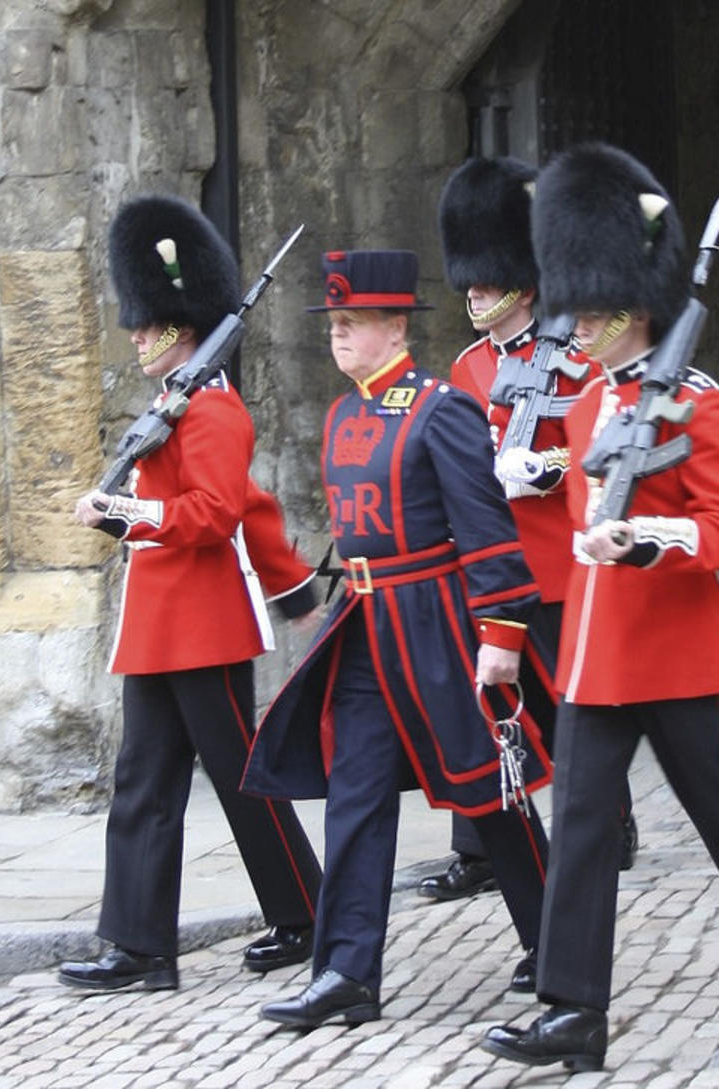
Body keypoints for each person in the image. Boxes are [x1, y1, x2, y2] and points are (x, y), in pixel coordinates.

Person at [482, 144, 719, 1073]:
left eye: (597, 315)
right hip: (601, 653)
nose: (584, 329)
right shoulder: (582, 409)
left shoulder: (698, 404)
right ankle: (573, 1009)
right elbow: (575, 519)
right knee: (583, 827)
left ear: (635, 310)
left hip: (681, 648)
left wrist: (650, 539)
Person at [242, 249, 551, 1028]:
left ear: (392, 325)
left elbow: (487, 534)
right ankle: (346, 970)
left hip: (439, 628)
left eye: (350, 324)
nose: (337, 338)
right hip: (367, 630)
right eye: (333, 325)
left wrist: (502, 634)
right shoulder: (345, 413)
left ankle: (558, 940)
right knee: (354, 795)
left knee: (489, 792)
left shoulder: (440, 408)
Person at [57, 195, 322, 993]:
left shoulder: (211, 412)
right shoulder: (171, 407)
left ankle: (306, 910)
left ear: (179, 327)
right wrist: (120, 515)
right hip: (157, 623)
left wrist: (126, 507)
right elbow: (161, 520)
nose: (136, 336)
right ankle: (139, 947)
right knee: (143, 781)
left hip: (203, 623)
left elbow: (211, 515)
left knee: (242, 775)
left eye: (148, 326)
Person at [419, 156, 635, 907]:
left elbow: (609, 435)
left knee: (573, 706)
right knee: (483, 710)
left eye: (487, 278)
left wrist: (546, 466)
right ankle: (481, 845)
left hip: (561, 562)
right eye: (470, 280)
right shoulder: (468, 364)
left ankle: (609, 823)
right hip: (493, 566)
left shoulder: (577, 355)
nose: (475, 291)